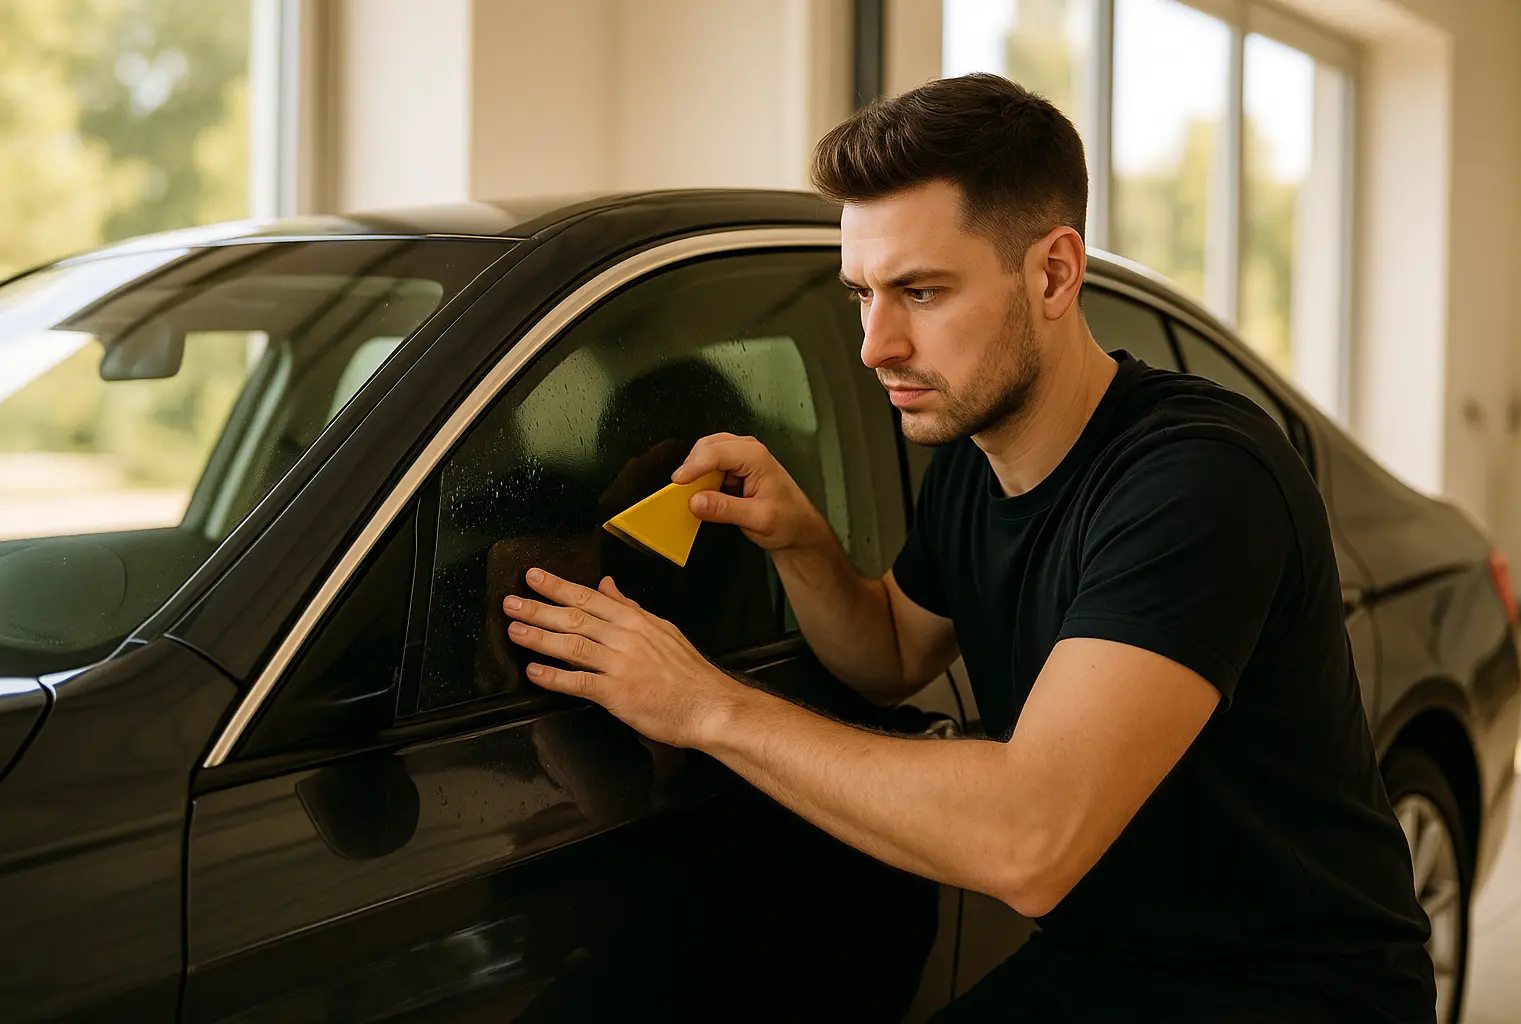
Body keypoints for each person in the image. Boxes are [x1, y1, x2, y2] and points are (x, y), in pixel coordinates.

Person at [498, 73, 1435, 1022]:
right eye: (863, 294)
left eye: (921, 292)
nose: (875, 345)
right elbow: (890, 654)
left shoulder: (1198, 479)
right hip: (1101, 965)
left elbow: (1031, 839)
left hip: (1290, 987)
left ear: (1054, 274)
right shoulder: (973, 461)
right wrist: (799, 537)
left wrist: (703, 705)